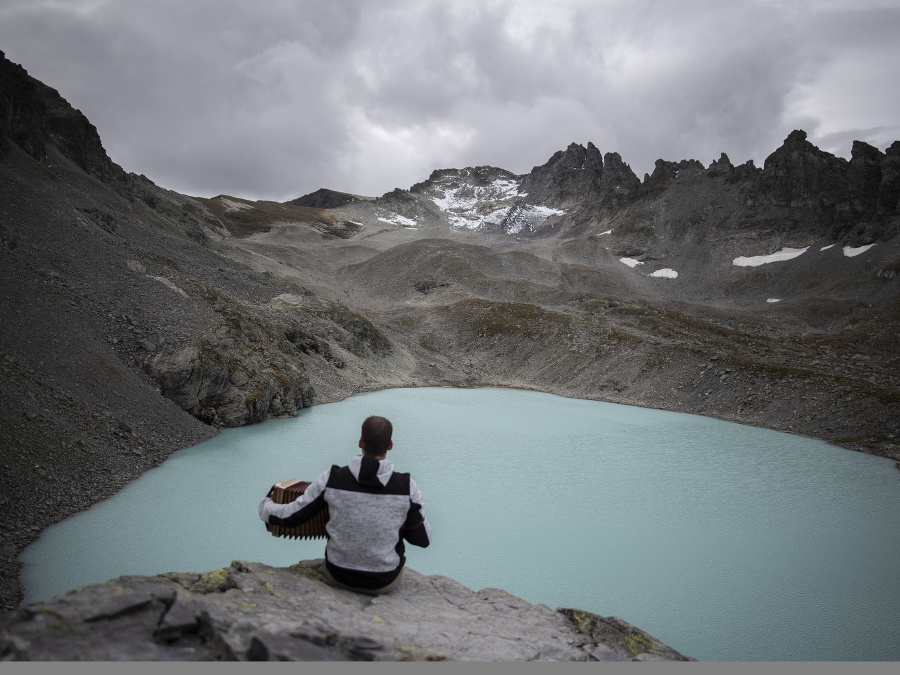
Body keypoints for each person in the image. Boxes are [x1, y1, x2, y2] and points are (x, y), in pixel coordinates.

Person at [258, 415, 431, 594]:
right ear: (390, 445)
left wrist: (264, 506)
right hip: (384, 580)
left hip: (338, 575)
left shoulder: (332, 479)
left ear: (360, 442)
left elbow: (291, 516)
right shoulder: (406, 487)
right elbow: (423, 539)